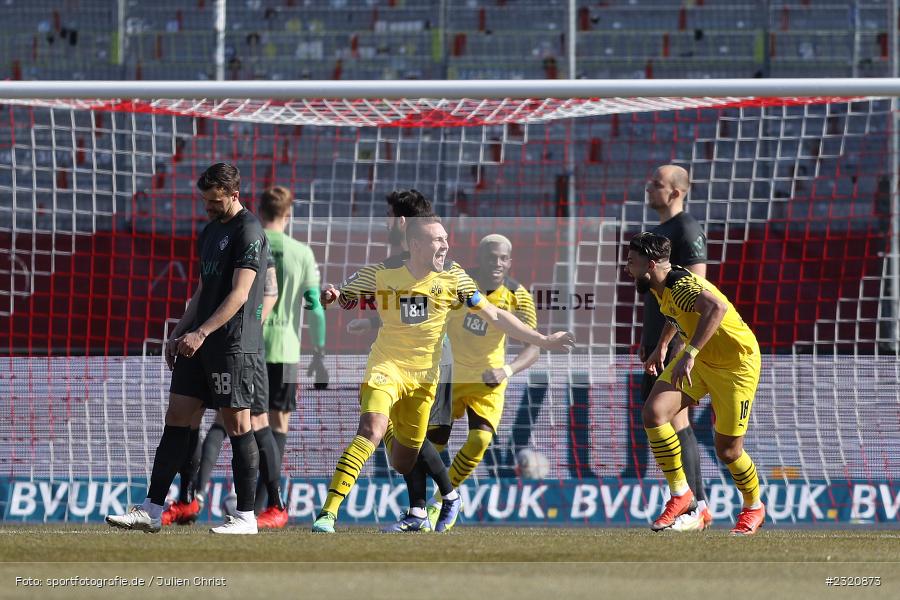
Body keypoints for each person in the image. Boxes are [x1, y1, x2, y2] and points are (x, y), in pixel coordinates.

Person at [311, 214, 575, 533]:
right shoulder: (380, 273)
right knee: (371, 429)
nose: (446, 245)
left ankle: (442, 499)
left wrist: (543, 340)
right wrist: (331, 298)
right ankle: (328, 513)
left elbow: (494, 315)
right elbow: (343, 297)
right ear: (416, 245)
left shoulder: (455, 279)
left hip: (427, 378)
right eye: (438, 239)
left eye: (446, 239)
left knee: (403, 460)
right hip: (386, 366)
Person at [106, 162, 267, 535]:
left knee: (238, 424)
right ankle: (151, 509)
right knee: (177, 415)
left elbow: (240, 293)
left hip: (232, 343)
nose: (207, 207)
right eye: (205, 200)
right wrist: (180, 330)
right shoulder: (209, 231)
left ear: (234, 195)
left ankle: (246, 517)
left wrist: (203, 332)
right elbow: (203, 288)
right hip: (199, 340)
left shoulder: (249, 230)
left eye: (214, 201)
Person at [625, 232, 765, 536]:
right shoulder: (661, 285)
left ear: (650, 264)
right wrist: (663, 346)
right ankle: (681, 494)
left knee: (728, 451)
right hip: (701, 359)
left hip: (735, 365)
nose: (627, 268)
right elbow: (676, 313)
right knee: (654, 413)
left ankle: (753, 507)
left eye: (632, 262)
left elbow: (717, 308)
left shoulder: (681, 285)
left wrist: (689, 353)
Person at [346, 190, 460, 533]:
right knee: (401, 432)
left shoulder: (436, 263)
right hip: (403, 361)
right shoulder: (400, 261)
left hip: (430, 362)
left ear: (402, 221)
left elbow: (430, 309)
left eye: (389, 215)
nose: (385, 222)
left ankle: (448, 496)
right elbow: (411, 310)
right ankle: (418, 511)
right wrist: (371, 320)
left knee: (414, 436)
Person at [423, 233, 540, 525]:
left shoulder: (518, 296)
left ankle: (440, 502)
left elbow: (534, 347)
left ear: (510, 262)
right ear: (480, 258)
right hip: (448, 376)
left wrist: (507, 370)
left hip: (488, 379)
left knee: (480, 439)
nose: (497, 263)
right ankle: (418, 505)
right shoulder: (458, 283)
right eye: (491, 257)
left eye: (503, 258)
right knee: (432, 446)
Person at [641, 164, 711, 531]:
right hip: (658, 340)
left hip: (675, 342)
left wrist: (677, 345)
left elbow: (698, 291)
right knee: (667, 419)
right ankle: (692, 504)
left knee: (675, 419)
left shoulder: (686, 229)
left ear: (675, 192)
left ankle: (694, 506)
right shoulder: (659, 232)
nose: (649, 188)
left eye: (657, 184)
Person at [256, 185, 328, 527]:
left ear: (259, 211)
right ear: (288, 214)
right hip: (285, 350)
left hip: (250, 345)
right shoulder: (302, 253)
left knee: (239, 423)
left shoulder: (251, 243)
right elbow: (315, 308)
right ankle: (267, 507)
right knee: (277, 425)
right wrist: (319, 352)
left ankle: (202, 496)